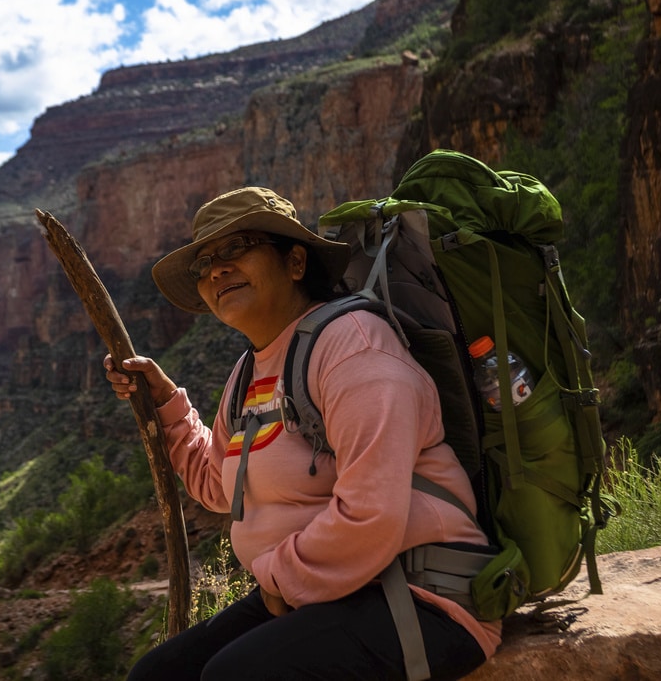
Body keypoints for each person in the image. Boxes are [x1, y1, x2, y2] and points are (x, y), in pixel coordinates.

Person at [104, 186, 501, 680]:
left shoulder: (354, 347)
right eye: (203, 263)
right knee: (157, 675)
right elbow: (217, 485)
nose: (216, 269)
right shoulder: (250, 371)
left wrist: (276, 580)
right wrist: (165, 403)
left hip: (417, 594)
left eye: (236, 248)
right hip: (319, 591)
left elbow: (370, 514)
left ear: (295, 262)